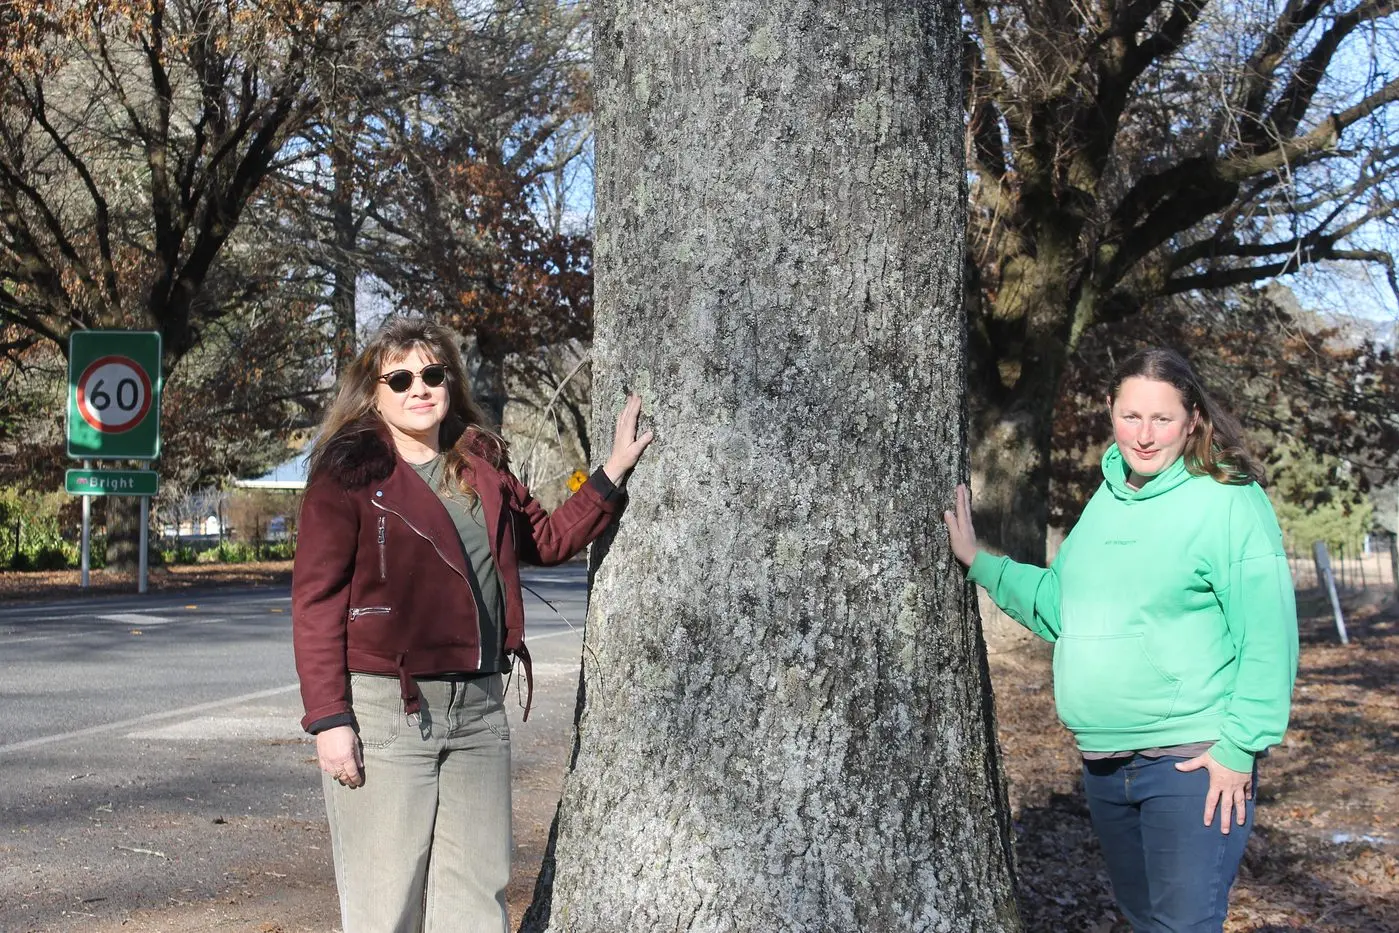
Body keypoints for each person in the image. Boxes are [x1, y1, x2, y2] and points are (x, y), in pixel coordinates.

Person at [292, 319, 652, 933]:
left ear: (450, 382)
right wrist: (329, 720)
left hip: (481, 710)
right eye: (400, 378)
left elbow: (545, 538)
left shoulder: (480, 464)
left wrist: (611, 473)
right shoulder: (348, 473)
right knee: (385, 906)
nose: (419, 388)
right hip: (389, 712)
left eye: (432, 374)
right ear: (373, 391)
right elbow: (316, 601)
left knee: (476, 905)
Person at [944, 347, 1298, 933]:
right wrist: (981, 563)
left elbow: (1269, 633)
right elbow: (1064, 608)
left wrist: (1240, 749)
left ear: (1192, 419)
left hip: (1193, 764)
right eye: (1131, 416)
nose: (1146, 435)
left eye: (1163, 419)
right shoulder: (1107, 500)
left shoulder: (1228, 500)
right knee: (1143, 922)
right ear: (1110, 411)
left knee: (1182, 927)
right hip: (1106, 766)